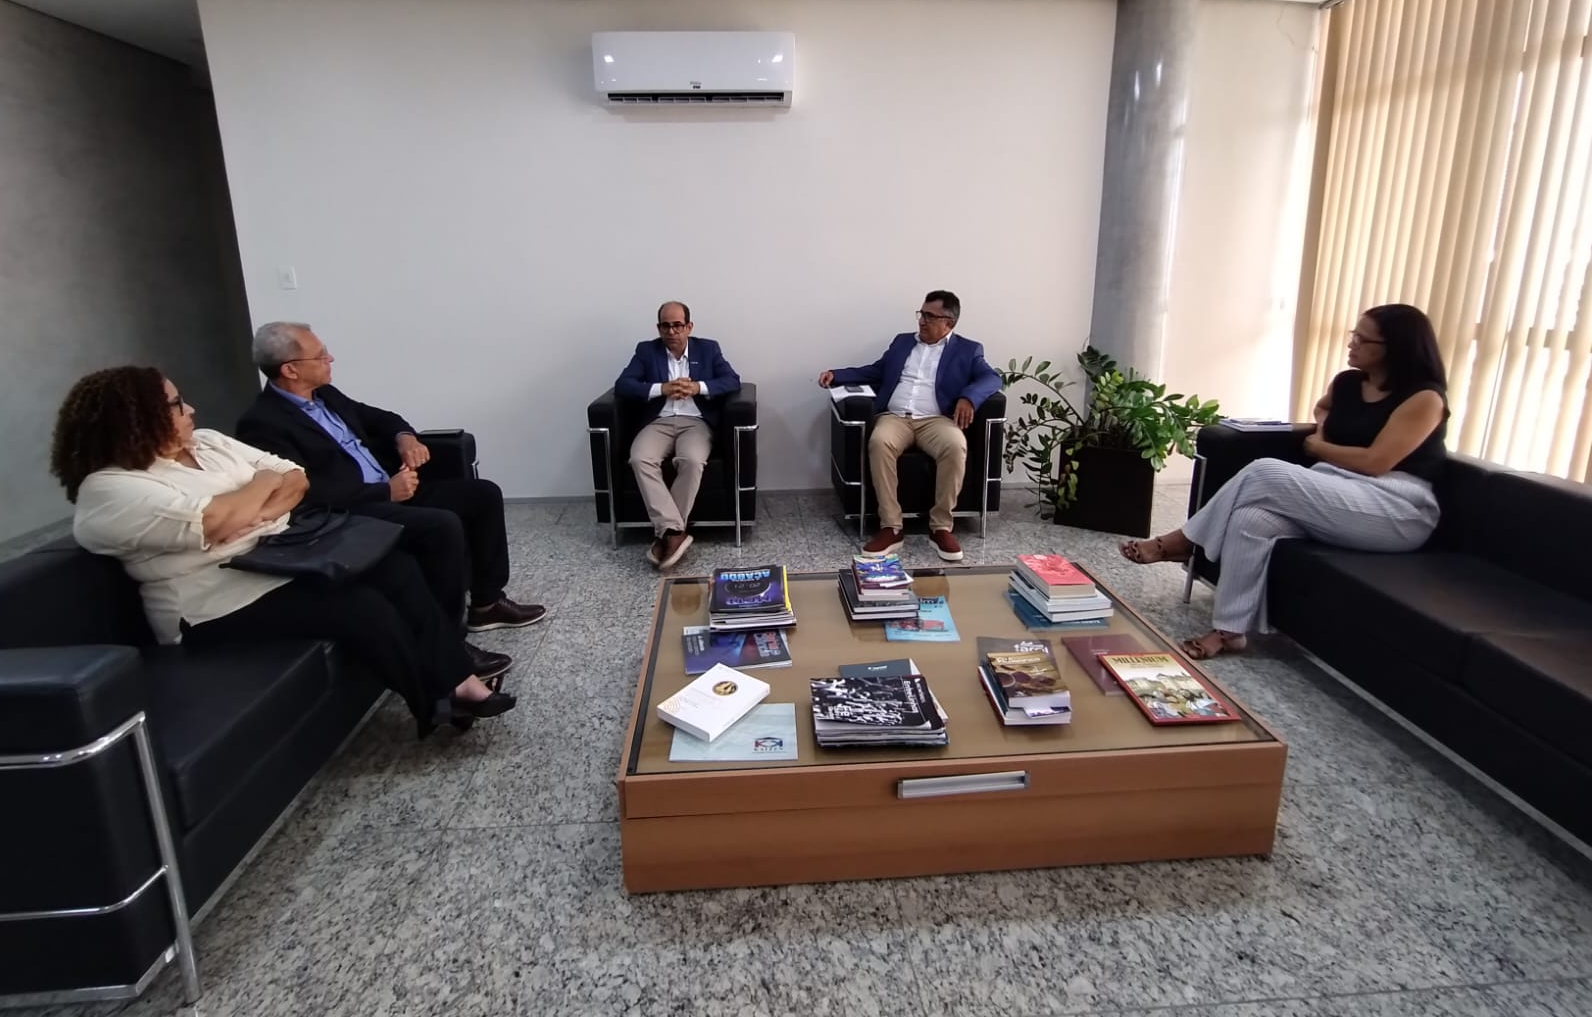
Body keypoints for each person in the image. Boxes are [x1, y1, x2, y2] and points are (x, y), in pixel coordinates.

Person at [51, 367, 515, 737]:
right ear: (134, 419)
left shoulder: (208, 443)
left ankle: (458, 677)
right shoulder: (111, 488)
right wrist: (258, 491)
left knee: (397, 567)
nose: (189, 408)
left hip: (279, 560)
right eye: (175, 404)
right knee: (360, 606)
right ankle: (437, 701)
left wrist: (251, 503)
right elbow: (218, 521)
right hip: (212, 603)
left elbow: (294, 477)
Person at [1120, 303, 1449, 660]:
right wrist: (1324, 430)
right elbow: (1324, 408)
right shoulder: (1348, 383)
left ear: (1394, 347)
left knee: (1265, 472)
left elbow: (1376, 462)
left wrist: (1319, 446)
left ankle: (1184, 541)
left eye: (1362, 339)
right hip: (1340, 486)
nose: (1351, 344)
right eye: (1353, 335)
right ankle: (1229, 631)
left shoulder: (1425, 398)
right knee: (1251, 520)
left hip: (1397, 507)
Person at [236, 322, 544, 668]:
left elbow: (382, 418)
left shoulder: (326, 395)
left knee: (482, 494)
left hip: (393, 489)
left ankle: (486, 604)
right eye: (320, 355)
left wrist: (404, 438)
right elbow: (305, 490)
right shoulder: (263, 423)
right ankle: (448, 645)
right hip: (352, 510)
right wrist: (385, 491)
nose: (330, 359)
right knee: (441, 526)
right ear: (290, 369)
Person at [817, 289, 1001, 561]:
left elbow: (992, 378)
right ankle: (891, 527)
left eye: (930, 316)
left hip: (936, 420)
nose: (922, 321)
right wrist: (837, 375)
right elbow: (876, 370)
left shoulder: (968, 349)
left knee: (955, 445)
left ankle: (941, 527)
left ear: (949, 322)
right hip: (895, 417)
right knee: (879, 442)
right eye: (921, 314)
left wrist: (968, 398)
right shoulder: (903, 342)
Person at [614, 301, 742, 569]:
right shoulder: (646, 351)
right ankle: (674, 532)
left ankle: (666, 534)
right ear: (658, 328)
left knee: (692, 461)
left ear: (689, 326)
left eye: (677, 325)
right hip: (659, 421)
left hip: (696, 422)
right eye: (665, 326)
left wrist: (698, 387)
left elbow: (732, 380)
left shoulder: (708, 349)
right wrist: (661, 389)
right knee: (639, 459)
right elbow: (623, 385)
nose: (671, 331)